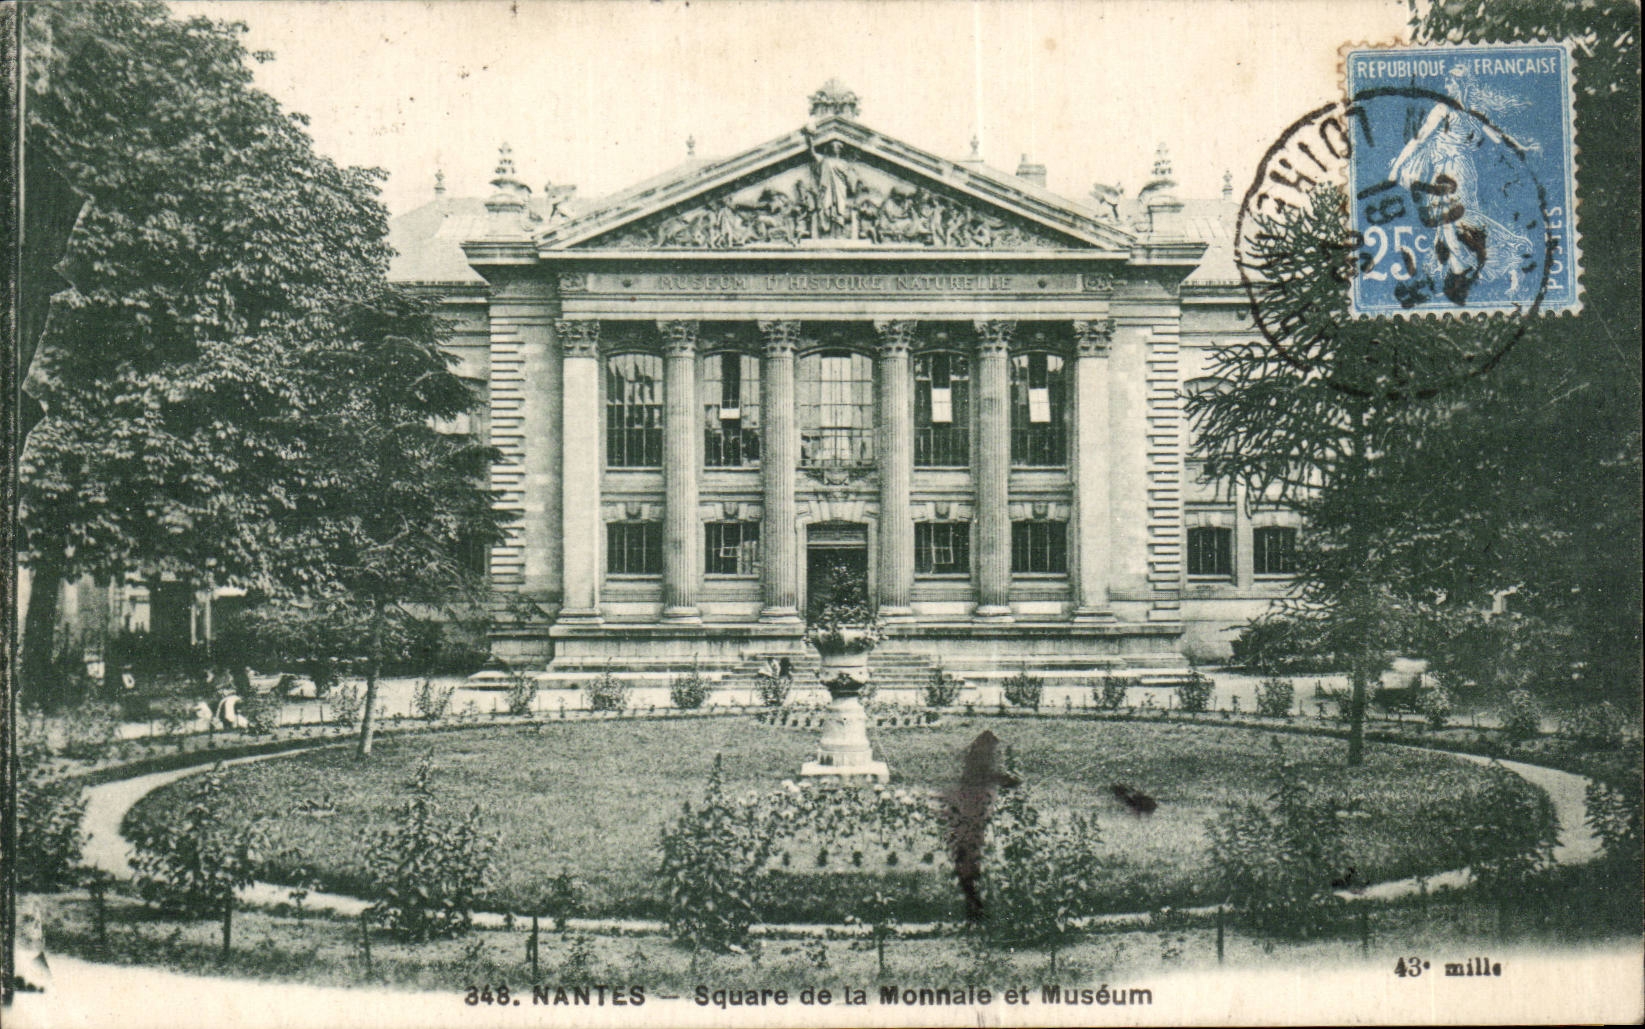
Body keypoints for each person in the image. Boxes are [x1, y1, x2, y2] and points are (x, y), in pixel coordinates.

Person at [1385, 64, 1535, 302]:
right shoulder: (1472, 112)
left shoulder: (1443, 109)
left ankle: (1505, 261)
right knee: (1452, 226)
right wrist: (1521, 147)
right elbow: (1497, 136)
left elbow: (1418, 139)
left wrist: (1396, 168)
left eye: (1450, 83)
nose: (1445, 87)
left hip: (1451, 172)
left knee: (1458, 222)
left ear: (1459, 85)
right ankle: (1463, 277)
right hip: (1455, 171)